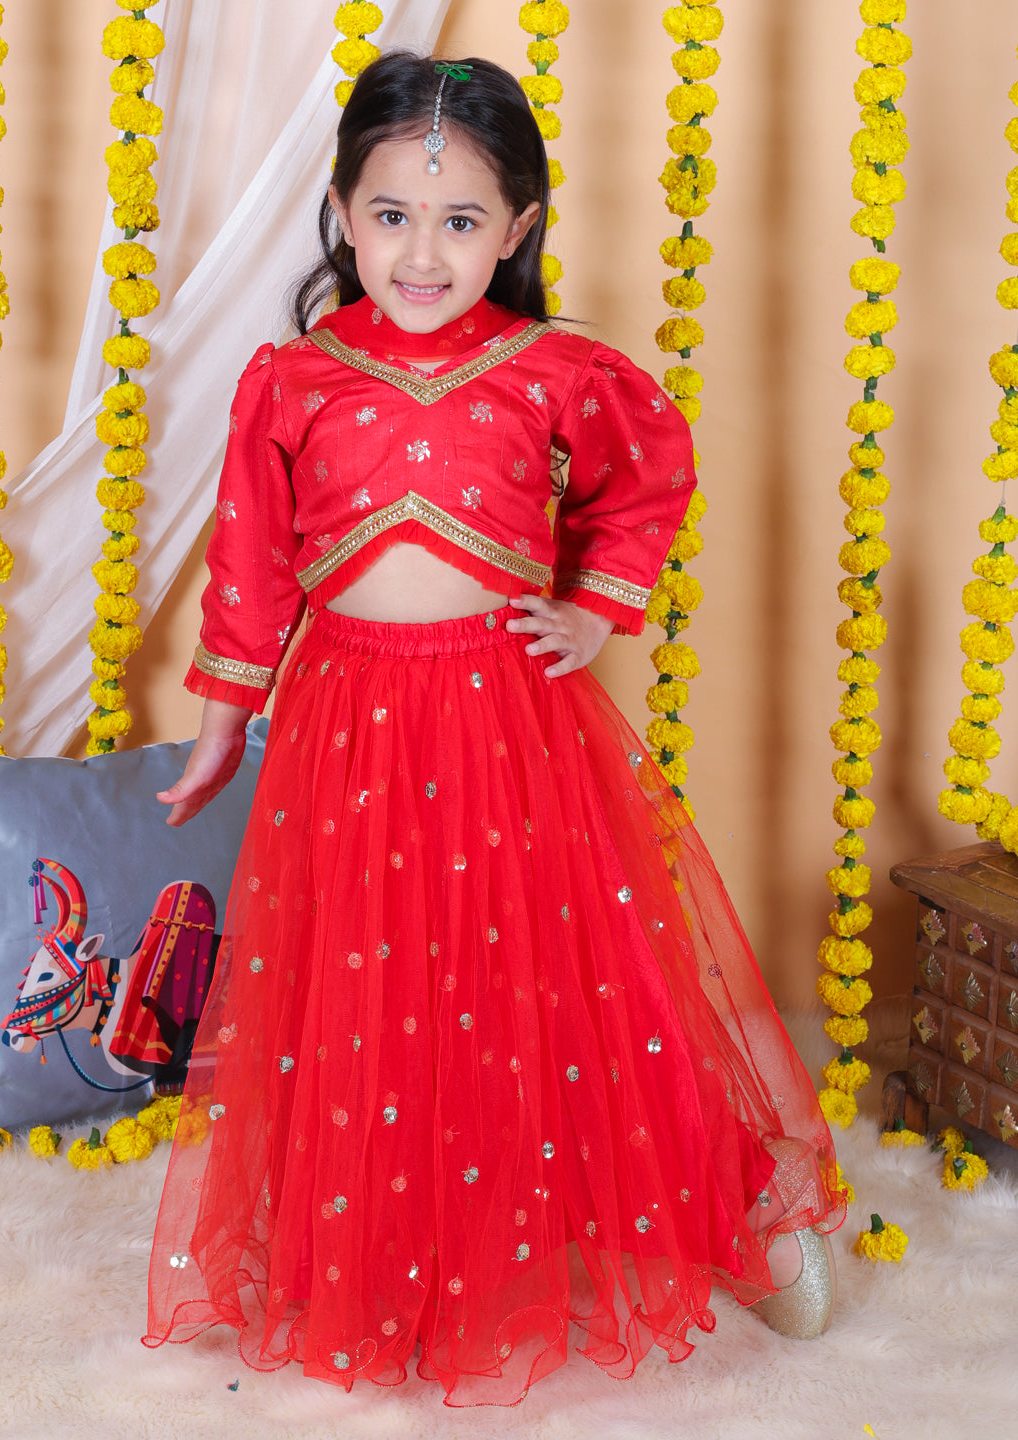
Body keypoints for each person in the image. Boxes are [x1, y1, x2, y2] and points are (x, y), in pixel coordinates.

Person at [142, 52, 843, 1406]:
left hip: (509, 720)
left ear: (516, 228)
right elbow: (252, 562)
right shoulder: (293, 381)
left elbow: (649, 474)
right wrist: (225, 722)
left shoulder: (556, 370)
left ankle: (729, 1208)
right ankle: (395, 1260)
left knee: (579, 984)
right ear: (342, 214)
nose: (423, 253)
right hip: (346, 730)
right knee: (369, 996)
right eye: (393, 215)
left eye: (461, 221)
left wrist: (597, 608)